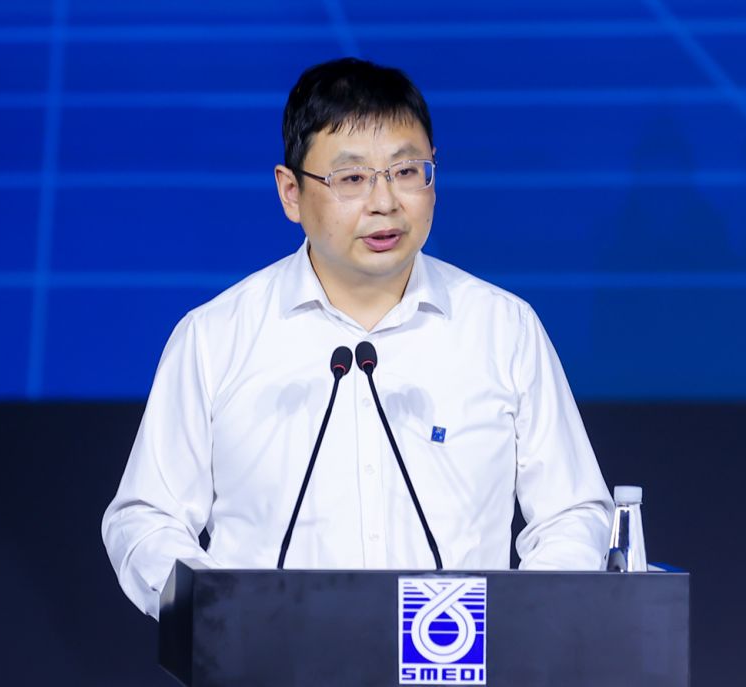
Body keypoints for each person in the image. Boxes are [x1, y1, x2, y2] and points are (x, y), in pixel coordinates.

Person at [102, 58, 613, 619]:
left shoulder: (503, 329)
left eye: (407, 171)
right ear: (291, 192)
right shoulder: (215, 337)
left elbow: (572, 513)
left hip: (453, 656)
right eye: (351, 179)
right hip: (272, 656)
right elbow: (146, 520)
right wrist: (221, 616)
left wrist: (521, 624)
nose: (384, 202)